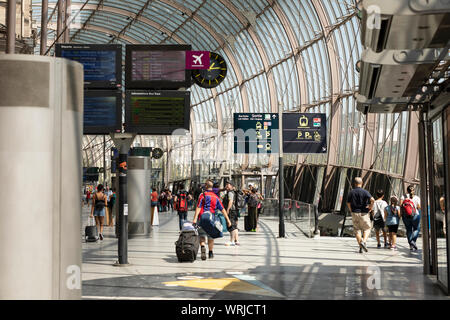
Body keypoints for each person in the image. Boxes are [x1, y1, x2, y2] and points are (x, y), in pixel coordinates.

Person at [192, 180, 231, 260]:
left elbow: (198, 207)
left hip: (202, 218)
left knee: (202, 235)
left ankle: (203, 246)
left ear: (206, 186)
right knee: (210, 237)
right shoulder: (216, 197)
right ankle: (210, 252)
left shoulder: (202, 195)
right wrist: (228, 220)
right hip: (211, 219)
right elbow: (222, 209)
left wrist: (195, 219)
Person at [346, 177, 374, 253]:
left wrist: (351, 210)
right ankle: (364, 241)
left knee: (357, 230)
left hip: (354, 212)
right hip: (364, 213)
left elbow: (348, 203)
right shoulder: (365, 192)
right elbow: (372, 200)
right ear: (362, 183)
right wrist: (371, 207)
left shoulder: (351, 192)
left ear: (354, 184)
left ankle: (360, 247)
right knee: (367, 228)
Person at [400, 185, 421, 251]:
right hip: (415, 215)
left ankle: (411, 245)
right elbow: (419, 207)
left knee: (408, 229)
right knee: (416, 229)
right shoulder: (417, 198)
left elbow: (401, 206)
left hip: (405, 216)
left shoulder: (403, 197)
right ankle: (413, 241)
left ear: (407, 190)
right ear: (413, 190)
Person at [223, 181, 240, 246]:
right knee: (235, 226)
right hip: (234, 210)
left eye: (228, 185)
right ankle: (236, 240)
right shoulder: (234, 192)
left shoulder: (230, 193)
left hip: (231, 211)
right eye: (226, 184)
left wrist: (227, 210)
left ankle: (231, 240)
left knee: (231, 225)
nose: (227, 186)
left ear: (231, 186)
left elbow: (230, 201)